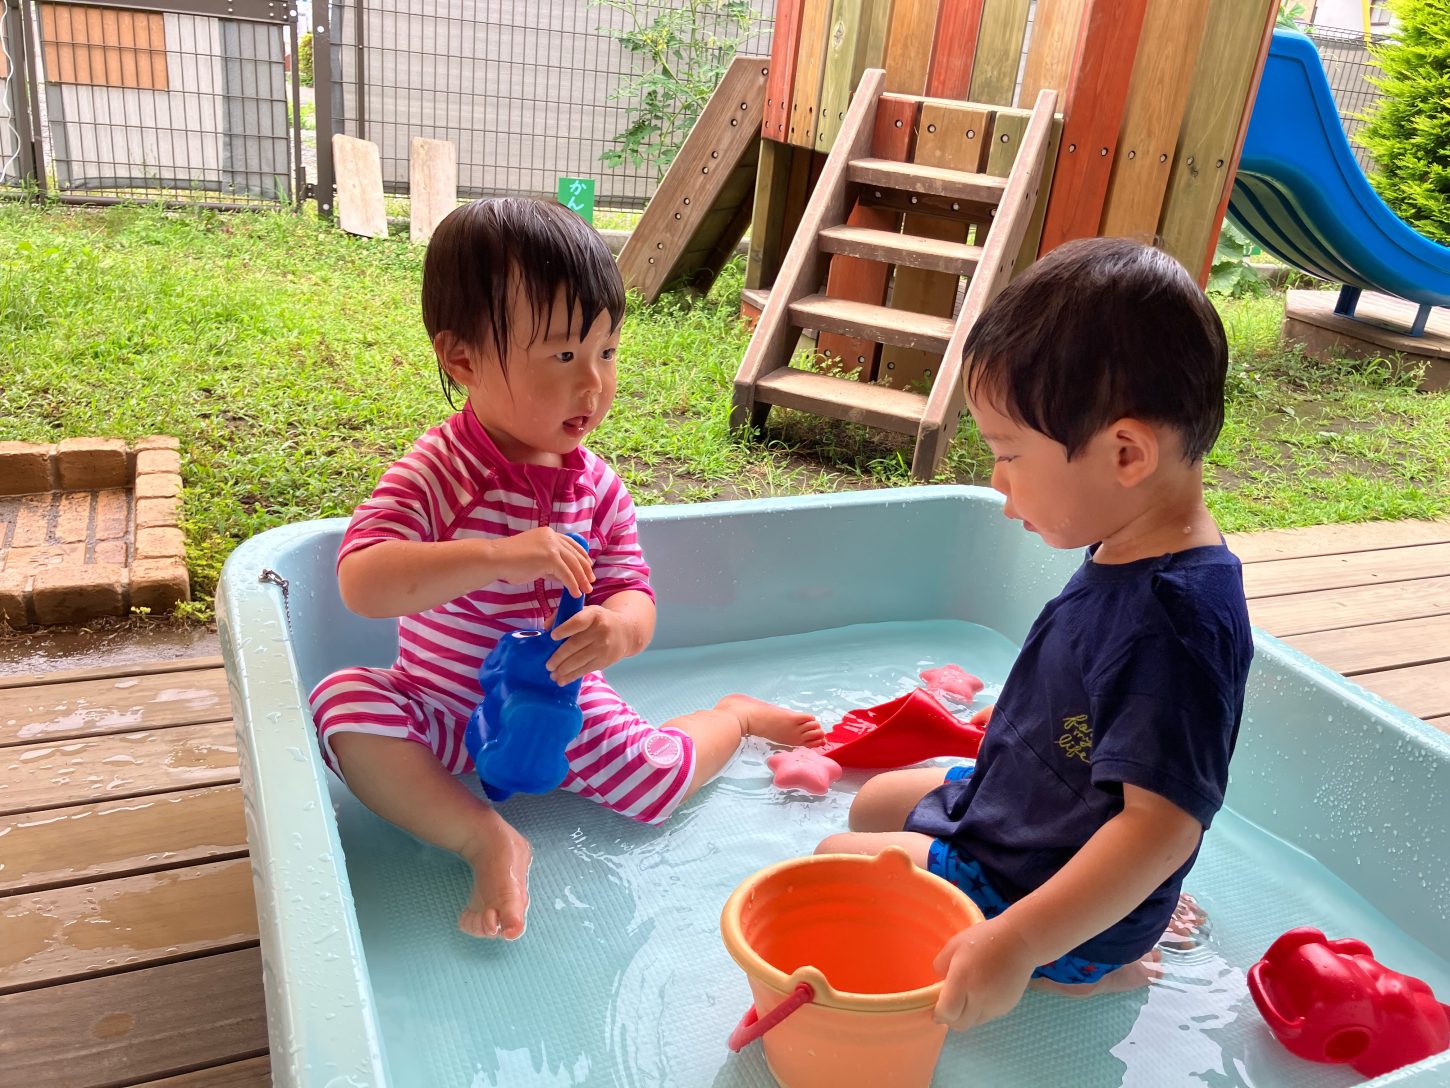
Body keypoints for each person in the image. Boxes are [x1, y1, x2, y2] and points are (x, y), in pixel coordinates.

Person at [310, 198, 823, 942]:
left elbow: (633, 592)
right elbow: (363, 581)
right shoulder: (439, 472)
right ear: (463, 360)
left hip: (558, 703)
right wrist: (499, 554)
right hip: (438, 705)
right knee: (342, 704)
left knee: (653, 786)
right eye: (561, 357)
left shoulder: (599, 488)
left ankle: (733, 716)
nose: (593, 384)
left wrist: (618, 630)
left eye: (606, 352)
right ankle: (484, 838)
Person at [817, 237, 1254, 1031]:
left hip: (1031, 884)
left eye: (1010, 453)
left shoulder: (1176, 626)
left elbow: (1161, 829)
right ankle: (1116, 919)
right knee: (871, 805)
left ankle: (1091, 966)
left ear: (1127, 453)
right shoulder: (1134, 534)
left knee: (830, 871)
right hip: (1023, 810)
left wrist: (1017, 943)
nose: (997, 478)